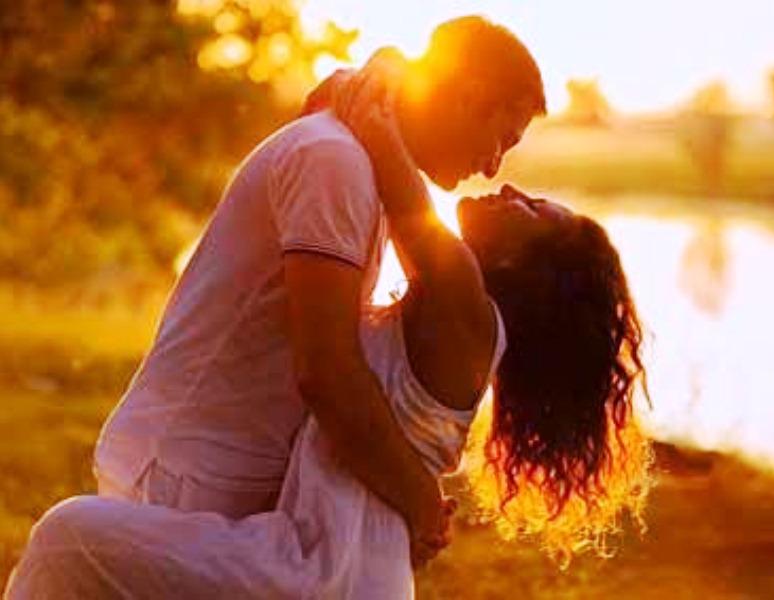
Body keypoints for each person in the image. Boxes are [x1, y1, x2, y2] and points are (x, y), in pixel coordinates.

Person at [5, 51, 649, 600]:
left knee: (68, 540)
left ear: (531, 269)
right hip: (333, 558)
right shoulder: (451, 308)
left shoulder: (460, 297)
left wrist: (376, 83)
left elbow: (387, 156)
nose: (506, 185)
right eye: (504, 146)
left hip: (325, 569)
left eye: (531, 209)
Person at [91, 14, 546, 566]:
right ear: (470, 96)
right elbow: (327, 370)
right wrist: (418, 500)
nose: (493, 167)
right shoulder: (335, 161)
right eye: (503, 138)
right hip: (186, 470)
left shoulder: (367, 164)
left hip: (227, 471)